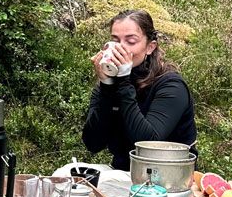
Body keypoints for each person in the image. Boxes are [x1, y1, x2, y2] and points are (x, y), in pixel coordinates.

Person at [81, 9, 197, 171]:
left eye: (131, 41)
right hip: (122, 175)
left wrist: (123, 82)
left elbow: (147, 144)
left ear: (150, 47)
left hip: (169, 179)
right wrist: (107, 88)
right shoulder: (109, 84)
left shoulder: (171, 86)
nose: (120, 48)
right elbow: (93, 143)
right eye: (115, 40)